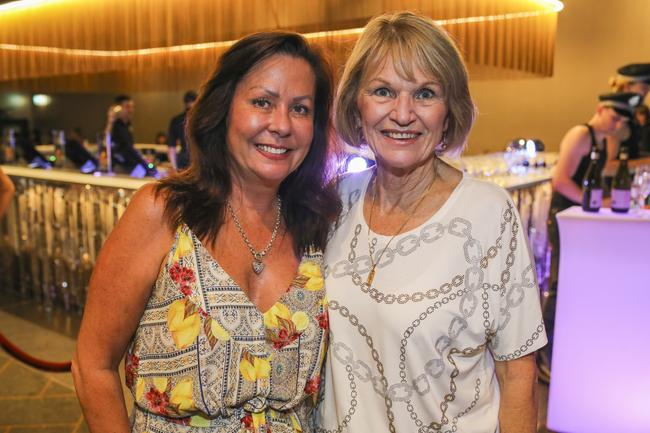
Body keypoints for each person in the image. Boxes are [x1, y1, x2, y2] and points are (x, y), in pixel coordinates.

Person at [73, 32, 340, 433]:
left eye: (300, 109)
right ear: (224, 107)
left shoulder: (319, 228)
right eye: (262, 102)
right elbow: (92, 366)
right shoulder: (164, 213)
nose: (281, 125)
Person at [316, 12, 546, 433]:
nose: (402, 114)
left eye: (424, 94)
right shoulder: (337, 200)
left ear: (449, 109)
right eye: (383, 90)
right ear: (356, 103)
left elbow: (518, 374)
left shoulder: (487, 214)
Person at [540, 92, 639, 379]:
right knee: (560, 283)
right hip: (565, 216)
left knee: (574, 282)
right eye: (615, 116)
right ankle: (541, 357)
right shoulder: (580, 134)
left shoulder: (604, 138)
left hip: (581, 218)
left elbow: (602, 171)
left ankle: (563, 351)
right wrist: (596, 202)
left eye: (623, 120)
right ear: (600, 109)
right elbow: (560, 181)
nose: (619, 123)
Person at [607, 63, 650, 164]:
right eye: (643, 87)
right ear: (627, 87)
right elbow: (606, 167)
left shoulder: (630, 114)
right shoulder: (617, 116)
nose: (647, 92)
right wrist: (647, 162)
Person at [109, 94, 157, 177]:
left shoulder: (128, 124)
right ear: (118, 109)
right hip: (120, 167)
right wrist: (110, 121)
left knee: (152, 172)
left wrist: (143, 160)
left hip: (132, 165)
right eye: (127, 107)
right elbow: (106, 142)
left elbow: (130, 148)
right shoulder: (113, 125)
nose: (131, 110)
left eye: (132, 107)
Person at [168, 91, 197, 171]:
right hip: (198, 160)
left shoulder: (176, 120)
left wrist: (174, 169)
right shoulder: (202, 119)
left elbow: (171, 148)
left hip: (183, 161)